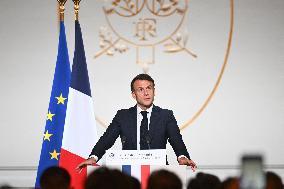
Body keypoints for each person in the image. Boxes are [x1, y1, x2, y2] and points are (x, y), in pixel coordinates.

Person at [76, 74, 196, 171]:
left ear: (154, 91)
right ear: (134, 94)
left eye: (149, 88)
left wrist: (182, 157)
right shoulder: (122, 116)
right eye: (140, 89)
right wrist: (93, 157)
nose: (146, 93)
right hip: (130, 173)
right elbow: (107, 139)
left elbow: (176, 139)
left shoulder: (166, 115)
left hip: (157, 173)